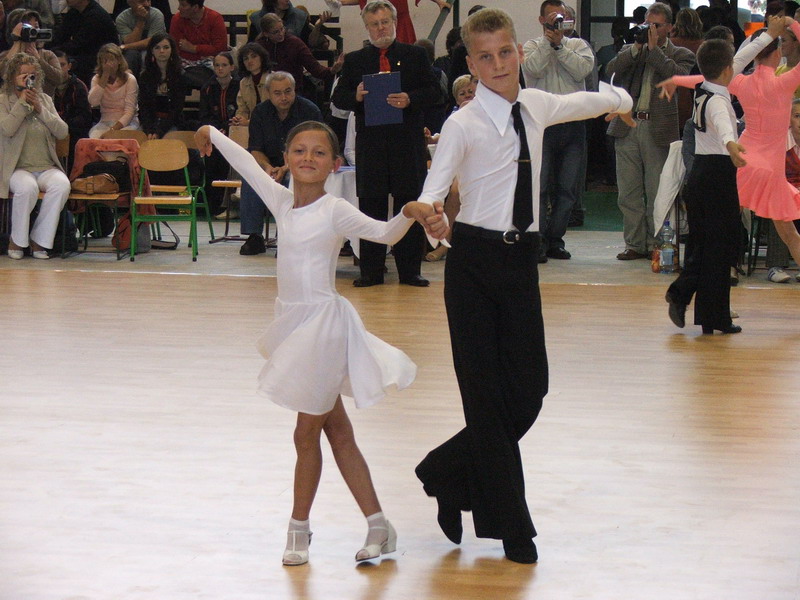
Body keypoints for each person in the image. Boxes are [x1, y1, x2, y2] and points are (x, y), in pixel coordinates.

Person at [413, 7, 634, 564]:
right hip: (472, 263)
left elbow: (586, 102)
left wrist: (624, 100)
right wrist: (431, 216)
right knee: (485, 400)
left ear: (519, 51)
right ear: (471, 64)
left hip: (520, 263)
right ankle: (513, 529)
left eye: (505, 52)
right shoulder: (463, 124)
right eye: (485, 57)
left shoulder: (536, 105)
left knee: (530, 391)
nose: (498, 64)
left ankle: (444, 472)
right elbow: (433, 191)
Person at [193, 119, 447, 566]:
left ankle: (298, 530)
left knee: (305, 432)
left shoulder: (335, 210)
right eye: (299, 150)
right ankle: (379, 526)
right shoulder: (281, 201)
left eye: (319, 152)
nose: (308, 158)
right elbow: (247, 165)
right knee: (338, 433)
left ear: (334, 165)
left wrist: (408, 211)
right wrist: (211, 132)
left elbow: (384, 234)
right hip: (293, 326)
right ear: (286, 158)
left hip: (324, 328)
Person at [331, 0, 442, 287]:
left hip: (407, 145)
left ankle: (410, 271)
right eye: (374, 24)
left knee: (409, 207)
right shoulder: (355, 60)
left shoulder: (416, 55)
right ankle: (371, 271)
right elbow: (337, 99)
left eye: (385, 22)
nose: (380, 28)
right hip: (372, 147)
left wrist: (410, 99)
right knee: (371, 209)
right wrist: (356, 96)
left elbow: (436, 93)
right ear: (366, 28)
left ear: (394, 23)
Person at [662, 40, 746, 335]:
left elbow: (739, 60)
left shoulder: (703, 89)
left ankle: (704, 311)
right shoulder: (719, 101)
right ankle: (700, 306)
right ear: (728, 70)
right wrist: (732, 145)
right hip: (717, 176)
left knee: (706, 247)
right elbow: (724, 125)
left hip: (700, 173)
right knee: (720, 248)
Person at [606, 2, 695, 261]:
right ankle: (634, 243)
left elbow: (678, 76)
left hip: (659, 128)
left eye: (656, 25)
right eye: (647, 24)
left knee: (657, 191)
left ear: (669, 27)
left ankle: (657, 243)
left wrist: (654, 51)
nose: (651, 29)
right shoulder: (631, 49)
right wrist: (637, 48)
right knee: (628, 192)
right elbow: (611, 70)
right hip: (628, 125)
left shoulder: (680, 53)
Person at [522, 0, 595, 262]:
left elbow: (582, 71)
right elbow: (532, 68)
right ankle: (538, 241)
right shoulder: (531, 46)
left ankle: (556, 240)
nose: (559, 22)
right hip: (542, 125)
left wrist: (560, 45)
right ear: (542, 20)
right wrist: (548, 43)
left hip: (573, 125)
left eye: (562, 17)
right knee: (540, 188)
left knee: (567, 189)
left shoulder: (578, 45)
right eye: (553, 18)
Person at [239, 71, 322, 255]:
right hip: (270, 165)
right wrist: (268, 168)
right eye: (277, 93)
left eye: (288, 91)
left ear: (294, 90)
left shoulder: (310, 111)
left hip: (302, 165)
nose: (284, 97)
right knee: (251, 179)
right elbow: (255, 149)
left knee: (292, 180)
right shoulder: (260, 112)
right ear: (268, 93)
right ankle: (254, 236)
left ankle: (288, 237)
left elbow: (315, 149)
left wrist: (286, 168)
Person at [0, 53, 70, 259]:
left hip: (46, 166)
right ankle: (17, 241)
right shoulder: (3, 100)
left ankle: (39, 240)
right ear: (12, 76)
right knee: (27, 188)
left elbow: (62, 132)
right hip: (17, 168)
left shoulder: (45, 100)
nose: (29, 79)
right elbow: (7, 129)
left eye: (32, 75)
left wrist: (41, 110)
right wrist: (22, 104)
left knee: (62, 185)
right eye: (23, 74)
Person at [255, 12, 343, 102]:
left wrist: (332, 70)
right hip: (266, 92)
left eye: (282, 29)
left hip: (293, 91)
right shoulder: (259, 46)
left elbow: (315, 68)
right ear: (266, 34)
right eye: (275, 32)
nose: (281, 33)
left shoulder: (295, 43)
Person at [198, 50, 239, 216]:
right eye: (217, 65)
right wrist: (216, 130)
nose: (220, 69)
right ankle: (212, 206)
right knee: (211, 161)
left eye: (224, 65)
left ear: (232, 67)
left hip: (234, 133)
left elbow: (239, 111)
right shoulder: (207, 88)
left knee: (227, 162)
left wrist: (227, 128)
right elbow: (204, 115)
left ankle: (229, 204)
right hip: (214, 134)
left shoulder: (239, 86)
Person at [51, 0, 119, 87]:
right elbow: (60, 36)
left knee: (65, 64)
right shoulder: (74, 12)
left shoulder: (96, 16)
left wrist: (53, 51)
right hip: (85, 53)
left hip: (101, 58)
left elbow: (79, 45)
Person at [0, 9, 65, 96]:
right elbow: (3, 73)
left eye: (36, 27)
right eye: (29, 28)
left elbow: (59, 79)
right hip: (12, 102)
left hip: (42, 102)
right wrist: (17, 41)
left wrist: (39, 60)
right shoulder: (5, 55)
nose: (34, 31)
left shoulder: (48, 55)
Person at [333, 0, 451, 45]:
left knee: (404, 54)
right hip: (384, 21)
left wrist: (438, 1)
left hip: (401, 21)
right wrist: (340, 2)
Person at [168, 0, 227, 89]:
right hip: (187, 65)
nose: (178, 8)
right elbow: (175, 48)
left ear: (195, 7)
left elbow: (220, 48)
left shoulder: (215, 18)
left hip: (211, 64)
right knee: (176, 73)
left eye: (183, 5)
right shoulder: (177, 19)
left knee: (225, 72)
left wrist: (194, 48)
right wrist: (205, 52)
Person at [137, 33, 185, 139]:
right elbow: (144, 107)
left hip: (171, 123)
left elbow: (176, 109)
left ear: (172, 50)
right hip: (150, 122)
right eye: (157, 48)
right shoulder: (145, 76)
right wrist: (149, 130)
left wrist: (159, 132)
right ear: (152, 51)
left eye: (166, 47)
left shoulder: (179, 75)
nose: (162, 51)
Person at [87, 43, 139, 138]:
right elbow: (93, 102)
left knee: (118, 138)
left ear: (119, 61)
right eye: (104, 61)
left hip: (127, 123)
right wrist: (105, 76)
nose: (108, 64)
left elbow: (130, 112)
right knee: (94, 137)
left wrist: (113, 130)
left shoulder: (130, 79)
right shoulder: (97, 79)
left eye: (111, 60)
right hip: (105, 122)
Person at [52, 50, 91, 165]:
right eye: (55, 65)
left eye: (62, 65)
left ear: (69, 66)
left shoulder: (79, 86)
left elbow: (85, 117)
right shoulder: (45, 86)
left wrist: (64, 125)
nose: (59, 69)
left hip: (73, 132)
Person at [115, 0, 167, 78]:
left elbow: (153, 42)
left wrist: (125, 46)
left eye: (148, 0)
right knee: (130, 55)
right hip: (131, 52)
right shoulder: (122, 18)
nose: (147, 4)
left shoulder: (157, 15)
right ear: (130, 2)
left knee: (146, 56)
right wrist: (141, 20)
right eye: (141, 1)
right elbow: (130, 42)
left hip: (153, 49)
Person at [230, 42, 271, 127]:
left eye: (254, 56)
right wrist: (238, 119)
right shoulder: (243, 82)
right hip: (252, 127)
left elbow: (274, 113)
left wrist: (249, 122)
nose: (249, 61)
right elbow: (242, 109)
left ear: (262, 58)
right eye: (246, 59)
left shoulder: (273, 79)